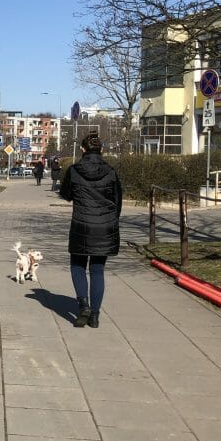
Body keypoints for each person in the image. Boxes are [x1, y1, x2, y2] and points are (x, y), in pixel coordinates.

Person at [59, 132, 122, 328]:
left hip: (81, 224)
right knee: (97, 270)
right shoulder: (111, 171)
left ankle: (83, 304)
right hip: (104, 226)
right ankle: (94, 315)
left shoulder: (74, 170)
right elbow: (117, 201)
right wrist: (110, 220)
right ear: (101, 149)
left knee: (77, 266)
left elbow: (66, 194)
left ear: (83, 149)